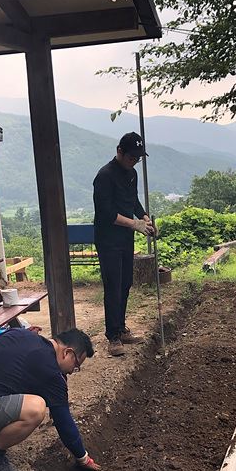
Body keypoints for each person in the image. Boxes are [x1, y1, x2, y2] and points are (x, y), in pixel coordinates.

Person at [0, 326, 100, 471]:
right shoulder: (51, 372)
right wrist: (83, 458)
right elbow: (63, 421)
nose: (71, 372)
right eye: (76, 366)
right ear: (67, 353)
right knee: (36, 408)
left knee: (18, 387)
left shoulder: (21, 333)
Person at [93, 131, 157, 357]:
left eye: (138, 158)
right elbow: (107, 213)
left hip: (125, 238)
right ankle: (112, 336)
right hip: (108, 239)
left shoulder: (132, 174)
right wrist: (134, 224)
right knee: (113, 286)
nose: (134, 161)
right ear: (119, 151)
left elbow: (133, 201)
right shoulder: (104, 176)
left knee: (125, 283)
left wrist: (145, 218)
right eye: (131, 157)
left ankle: (121, 328)